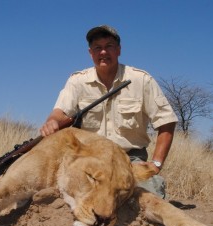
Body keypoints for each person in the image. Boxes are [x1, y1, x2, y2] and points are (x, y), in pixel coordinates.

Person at [40, 25, 178, 198]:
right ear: (91, 53)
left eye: (109, 46)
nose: (103, 52)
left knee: (148, 197)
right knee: (59, 192)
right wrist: (52, 121)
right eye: (98, 48)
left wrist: (156, 163)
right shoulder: (77, 81)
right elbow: (60, 113)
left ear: (119, 50)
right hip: (88, 158)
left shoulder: (141, 79)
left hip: (130, 160)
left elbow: (167, 121)